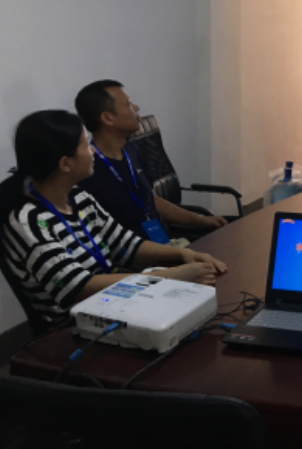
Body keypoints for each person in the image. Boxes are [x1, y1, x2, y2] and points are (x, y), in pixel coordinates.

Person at [0, 110, 227, 330]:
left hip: (114, 306)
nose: (92, 151)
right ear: (65, 164)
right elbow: (78, 288)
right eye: (85, 145)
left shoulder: (78, 197)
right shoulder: (28, 223)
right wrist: (170, 276)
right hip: (72, 330)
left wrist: (181, 255)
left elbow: (125, 243)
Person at [74, 80, 225, 243]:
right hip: (134, 253)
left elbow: (150, 200)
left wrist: (200, 220)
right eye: (128, 104)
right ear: (107, 118)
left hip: (165, 241)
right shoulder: (88, 170)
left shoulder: (131, 150)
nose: (136, 107)